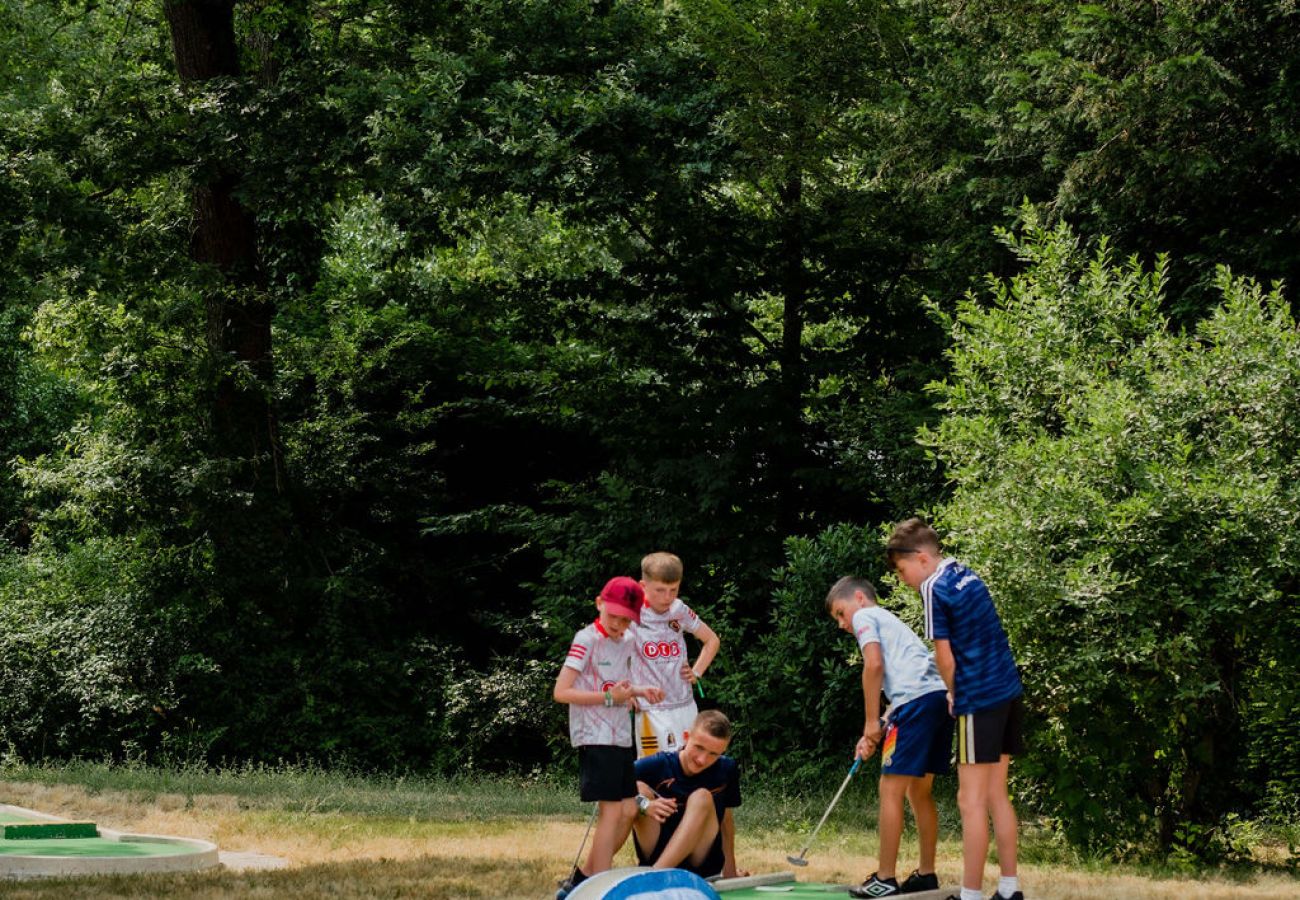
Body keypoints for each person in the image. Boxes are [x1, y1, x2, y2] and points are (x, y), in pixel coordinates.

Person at [886, 518, 1025, 900]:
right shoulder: (967, 574)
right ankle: (1010, 889)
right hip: (1008, 691)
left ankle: (970, 895)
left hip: (978, 698)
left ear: (922, 558)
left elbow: (944, 655)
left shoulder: (934, 586)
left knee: (971, 800)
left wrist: (953, 693)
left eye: (902, 570)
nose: (903, 579)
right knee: (998, 794)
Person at [827, 576, 953, 898]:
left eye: (841, 613)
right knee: (918, 791)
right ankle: (926, 874)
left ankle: (885, 878)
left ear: (858, 598)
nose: (842, 624)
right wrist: (882, 722)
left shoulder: (866, 616)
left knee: (890, 788)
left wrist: (870, 721)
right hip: (936, 700)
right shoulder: (892, 622)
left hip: (915, 704)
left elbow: (873, 666)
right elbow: (906, 683)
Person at [553, 576, 665, 895]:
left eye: (626, 618)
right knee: (612, 812)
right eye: (613, 615)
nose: (619, 623)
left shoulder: (627, 640)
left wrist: (641, 691)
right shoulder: (585, 639)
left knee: (630, 809)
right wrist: (609, 699)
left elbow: (619, 686)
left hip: (620, 737)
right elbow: (562, 692)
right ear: (599, 604)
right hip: (595, 735)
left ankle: (583, 879)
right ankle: (599, 888)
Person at [631, 709, 746, 880]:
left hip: (700, 861)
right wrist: (645, 805)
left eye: (713, 754)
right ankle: (655, 874)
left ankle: (655, 877)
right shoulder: (656, 765)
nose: (702, 759)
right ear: (686, 736)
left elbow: (726, 821)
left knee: (702, 797)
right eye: (699, 748)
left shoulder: (726, 769)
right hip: (657, 847)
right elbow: (614, 792)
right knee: (637, 788)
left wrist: (730, 872)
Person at [632, 552, 721, 757]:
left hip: (684, 704)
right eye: (660, 590)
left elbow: (712, 640)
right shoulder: (631, 614)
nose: (667, 597)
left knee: (691, 765)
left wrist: (697, 672)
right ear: (643, 586)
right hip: (650, 708)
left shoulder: (679, 609)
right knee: (655, 772)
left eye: (674, 590)